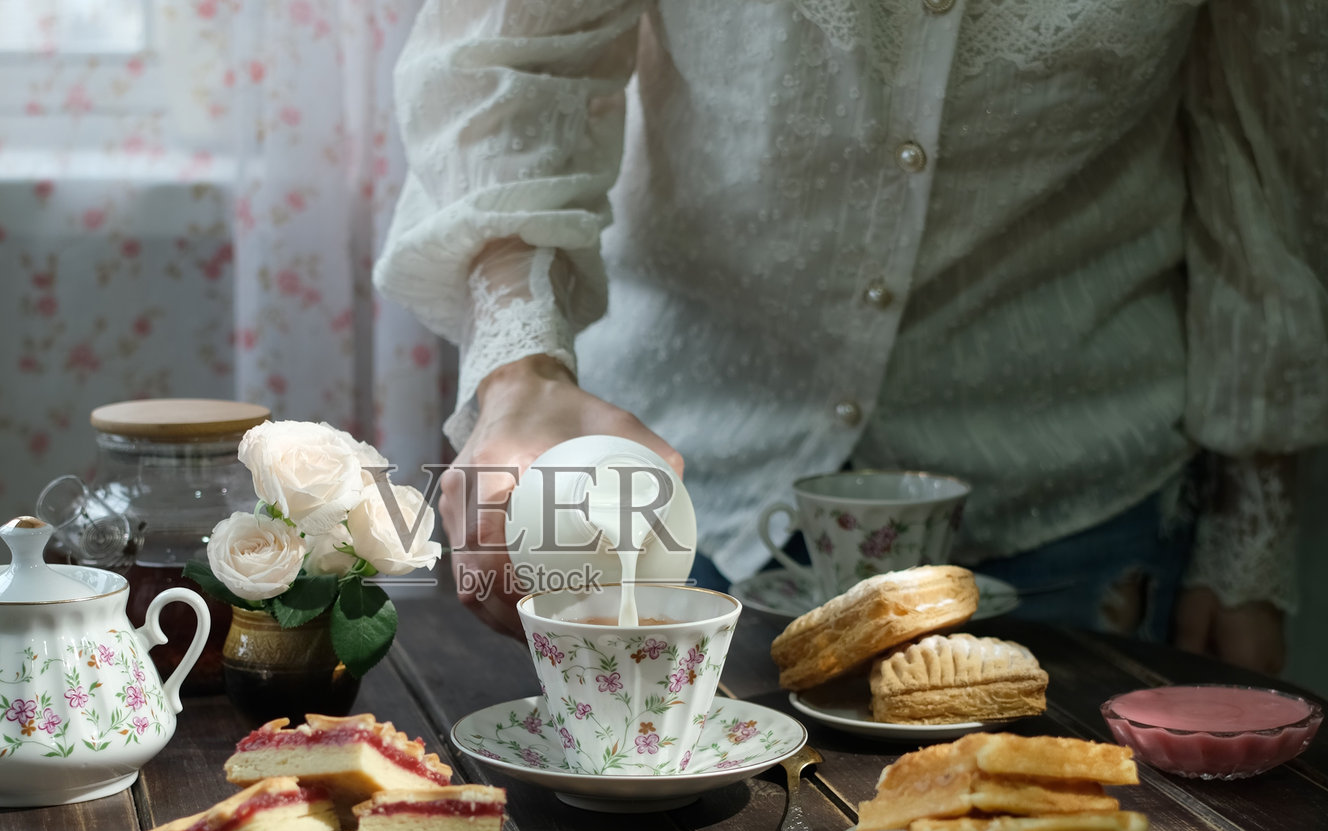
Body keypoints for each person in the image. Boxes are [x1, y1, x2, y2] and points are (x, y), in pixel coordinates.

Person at [372, 1, 1327, 671]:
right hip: (679, 492)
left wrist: (1251, 537)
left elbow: (1266, 148)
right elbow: (514, 67)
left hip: (1074, 507)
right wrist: (520, 370)